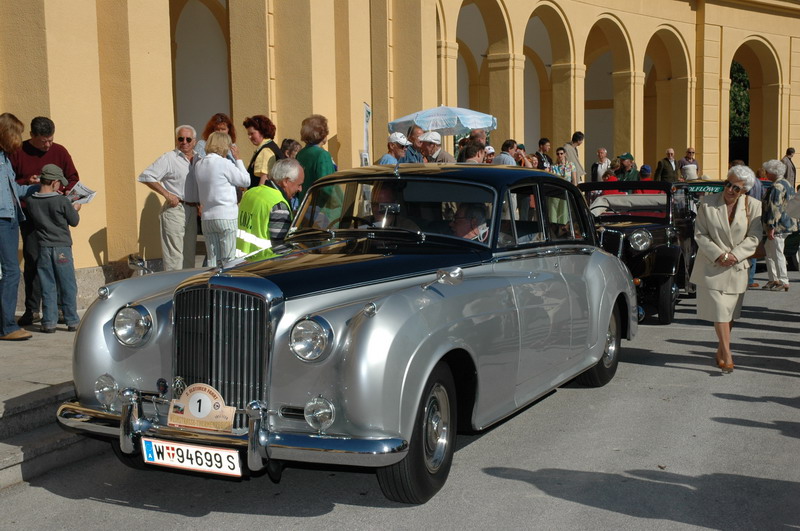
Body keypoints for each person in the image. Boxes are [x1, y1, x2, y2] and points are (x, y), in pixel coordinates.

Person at [10, 116, 80, 327]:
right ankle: (33, 309)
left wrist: (68, 196)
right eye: (43, 141)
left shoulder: (59, 151)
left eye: (50, 139)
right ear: (32, 136)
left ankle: (60, 311)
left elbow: (73, 177)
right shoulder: (18, 152)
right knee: (34, 262)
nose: (48, 145)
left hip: (55, 217)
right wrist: (28, 183)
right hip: (30, 215)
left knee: (60, 269)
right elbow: (10, 182)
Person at [691, 165, 761, 373]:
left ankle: (721, 349)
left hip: (736, 267)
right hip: (712, 266)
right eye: (727, 184)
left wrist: (734, 256)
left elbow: (755, 236)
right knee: (720, 312)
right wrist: (719, 255)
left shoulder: (754, 205)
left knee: (729, 315)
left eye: (736, 188)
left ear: (745, 190)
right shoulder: (707, 203)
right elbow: (700, 234)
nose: (730, 189)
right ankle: (728, 354)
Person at [24, 165, 81, 333]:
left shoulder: (31, 201)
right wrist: (75, 208)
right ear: (55, 182)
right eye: (59, 183)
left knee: (47, 284)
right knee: (67, 284)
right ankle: (72, 320)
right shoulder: (61, 200)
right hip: (62, 246)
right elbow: (74, 221)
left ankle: (48, 322)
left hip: (43, 247)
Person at [137, 125, 198, 271]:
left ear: (194, 141)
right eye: (180, 138)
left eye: (188, 139)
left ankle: (187, 291)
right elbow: (146, 176)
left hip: (193, 209)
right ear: (176, 140)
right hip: (175, 210)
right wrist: (167, 194)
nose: (184, 142)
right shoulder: (169, 158)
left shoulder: (199, 159)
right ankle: (172, 291)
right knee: (174, 257)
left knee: (189, 255)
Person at [0, 113, 38, 341]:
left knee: (10, 272)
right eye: (18, 133)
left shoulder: (5, 158)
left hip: (11, 217)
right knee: (12, 272)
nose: (20, 139)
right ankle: (7, 327)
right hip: (2, 219)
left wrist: (34, 186)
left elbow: (12, 190)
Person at [190, 132, 250, 267]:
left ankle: (212, 286)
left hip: (207, 217)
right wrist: (238, 159)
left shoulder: (199, 165)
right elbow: (245, 181)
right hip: (226, 216)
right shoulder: (224, 163)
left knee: (212, 259)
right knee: (229, 259)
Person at [236, 158, 305, 256]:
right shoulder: (278, 204)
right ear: (286, 181)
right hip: (265, 265)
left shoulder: (249, 193)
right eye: (299, 184)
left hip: (241, 262)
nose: (300, 189)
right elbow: (281, 249)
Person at [761, 159, 797, 291]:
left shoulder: (777, 187)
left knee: (777, 252)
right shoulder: (787, 184)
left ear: (772, 172)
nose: (766, 173)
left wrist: (771, 226)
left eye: (767, 171)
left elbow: (774, 208)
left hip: (778, 226)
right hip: (787, 223)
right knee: (770, 252)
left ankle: (783, 280)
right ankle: (773, 279)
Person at [296, 114, 337, 202]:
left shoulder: (301, 153)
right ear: (322, 134)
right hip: (322, 208)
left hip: (304, 204)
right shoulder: (322, 155)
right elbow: (327, 188)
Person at [242, 115, 284, 189]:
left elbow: (264, 180)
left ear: (262, 132)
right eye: (248, 134)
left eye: (252, 134)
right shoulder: (270, 146)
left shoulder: (265, 151)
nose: (249, 137)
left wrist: (257, 197)